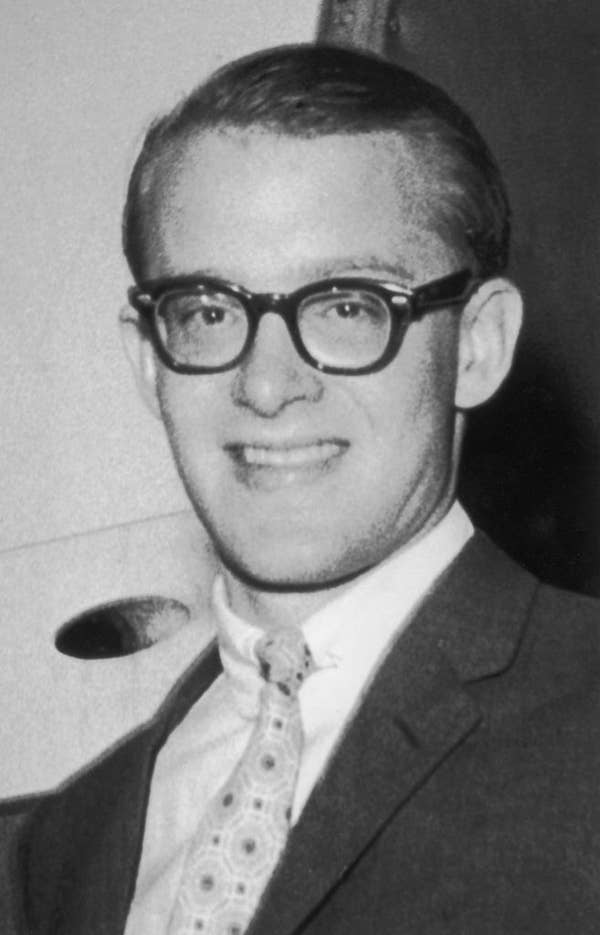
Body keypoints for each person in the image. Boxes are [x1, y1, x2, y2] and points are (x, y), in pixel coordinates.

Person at [2, 43, 600, 935]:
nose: (268, 384)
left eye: (348, 305)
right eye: (208, 311)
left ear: (477, 344)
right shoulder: (57, 850)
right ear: (146, 358)